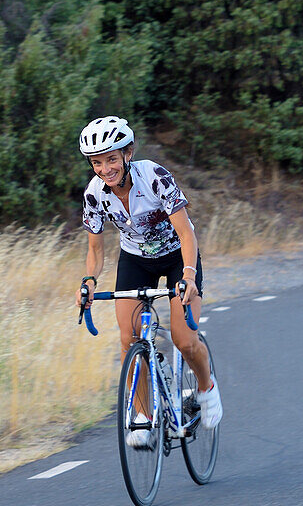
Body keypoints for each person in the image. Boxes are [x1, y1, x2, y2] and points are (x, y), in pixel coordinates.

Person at [74, 115, 221, 448]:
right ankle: (142, 416)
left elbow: (185, 232)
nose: (105, 169)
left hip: (176, 255)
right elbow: (95, 252)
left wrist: (188, 275)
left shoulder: (153, 176)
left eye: (111, 159)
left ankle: (206, 388)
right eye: (97, 162)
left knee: (184, 340)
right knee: (129, 340)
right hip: (135, 260)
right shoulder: (95, 194)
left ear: (128, 153)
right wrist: (88, 281)